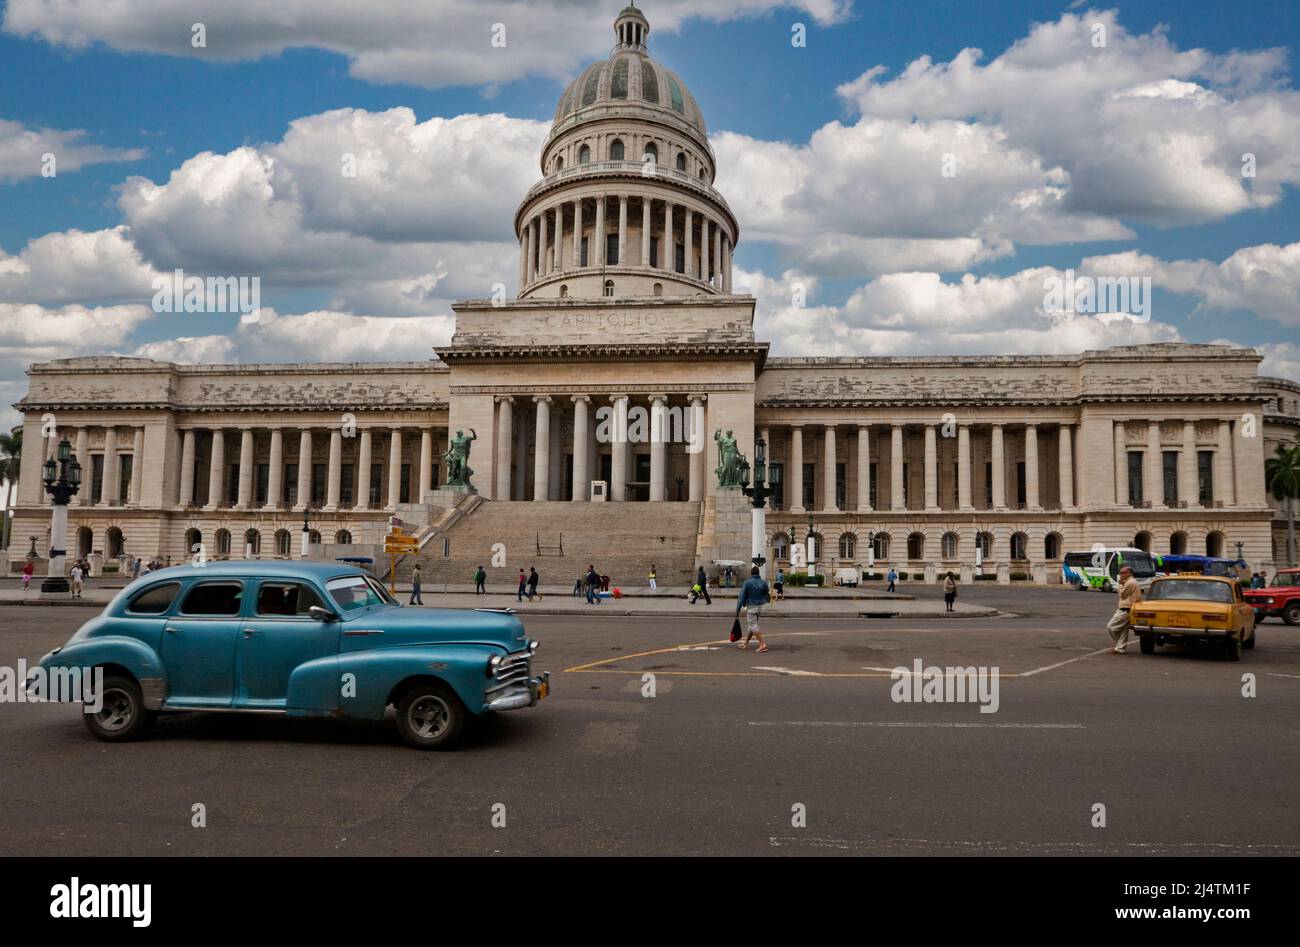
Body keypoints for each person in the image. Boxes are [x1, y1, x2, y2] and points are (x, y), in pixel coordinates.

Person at [1107, 565, 1142, 654]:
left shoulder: (1130, 582)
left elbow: (1122, 595)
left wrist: (1120, 585)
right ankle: (1120, 648)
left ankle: (1119, 644)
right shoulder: (1128, 582)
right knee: (1123, 630)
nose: (1120, 574)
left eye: (1122, 573)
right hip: (1127, 608)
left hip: (1126, 608)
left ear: (1128, 573)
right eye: (1120, 572)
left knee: (1111, 627)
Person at [735, 566, 770, 653]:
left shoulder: (747, 583)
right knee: (752, 626)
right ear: (758, 573)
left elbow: (742, 596)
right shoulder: (763, 582)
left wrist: (738, 608)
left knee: (753, 626)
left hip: (751, 607)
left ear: (751, 573)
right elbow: (766, 592)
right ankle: (746, 643)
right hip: (759, 607)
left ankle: (762, 644)